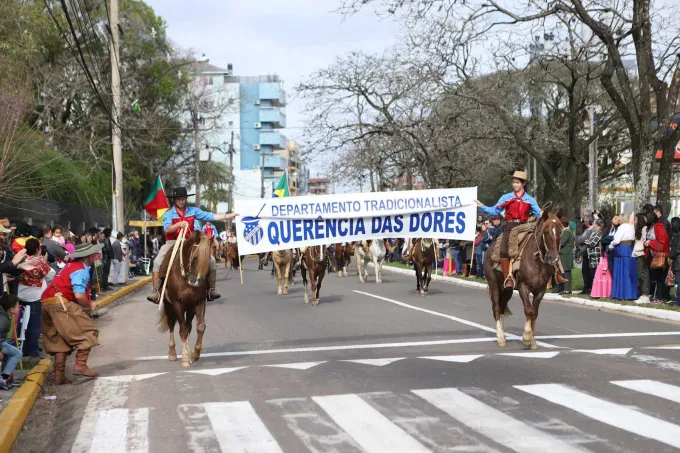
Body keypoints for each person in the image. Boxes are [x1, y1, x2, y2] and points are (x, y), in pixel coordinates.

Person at [475, 171, 566, 289]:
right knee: (503, 250)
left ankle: (556, 273)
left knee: (547, 243)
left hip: (524, 226)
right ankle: (508, 277)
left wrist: (547, 217)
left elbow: (539, 214)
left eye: (517, 182)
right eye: (513, 182)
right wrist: (482, 206)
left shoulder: (530, 199)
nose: (514, 185)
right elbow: (494, 211)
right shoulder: (506, 197)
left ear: (523, 184)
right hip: (509, 227)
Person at [147, 187, 239, 304]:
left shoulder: (193, 211)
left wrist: (229, 215)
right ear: (174, 200)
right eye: (179, 199)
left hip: (190, 242)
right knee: (157, 262)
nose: (181, 201)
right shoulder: (168, 214)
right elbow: (167, 229)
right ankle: (156, 292)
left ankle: (211, 289)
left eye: (183, 199)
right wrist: (179, 224)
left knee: (210, 259)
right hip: (173, 242)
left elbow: (211, 216)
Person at [41, 242, 102, 384]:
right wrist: (90, 305)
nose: (96, 255)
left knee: (58, 340)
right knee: (88, 330)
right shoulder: (81, 269)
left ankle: (59, 375)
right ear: (89, 256)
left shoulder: (71, 266)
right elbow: (79, 295)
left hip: (46, 303)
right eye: (94, 253)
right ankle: (81, 364)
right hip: (61, 303)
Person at [18, 238, 55, 359]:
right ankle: (33, 351)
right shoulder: (39, 263)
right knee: (34, 325)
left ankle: (23, 349)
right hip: (35, 297)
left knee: (22, 323)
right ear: (37, 249)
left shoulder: (20, 260)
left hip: (20, 295)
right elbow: (51, 274)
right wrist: (44, 261)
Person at [610, 213, 638, 300]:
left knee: (620, 271)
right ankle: (631, 294)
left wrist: (611, 244)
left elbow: (617, 240)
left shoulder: (621, 228)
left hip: (621, 249)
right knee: (630, 271)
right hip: (630, 249)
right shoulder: (631, 227)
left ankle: (621, 293)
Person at [0, 294, 23, 389]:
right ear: (11, 309)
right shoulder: (3, 320)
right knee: (17, 353)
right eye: (17, 306)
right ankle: (4, 378)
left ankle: (6, 378)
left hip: (2, 343)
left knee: (15, 353)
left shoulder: (5, 316)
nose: (19, 308)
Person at [557, 217, 574, 294]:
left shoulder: (566, 232)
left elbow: (562, 242)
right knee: (564, 272)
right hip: (565, 255)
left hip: (566, 255)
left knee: (567, 272)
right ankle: (563, 288)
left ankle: (567, 290)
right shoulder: (567, 231)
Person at [669, 217, 680, 307]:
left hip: (678, 261)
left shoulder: (677, 235)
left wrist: (671, 256)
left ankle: (677, 302)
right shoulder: (675, 234)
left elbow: (677, 248)